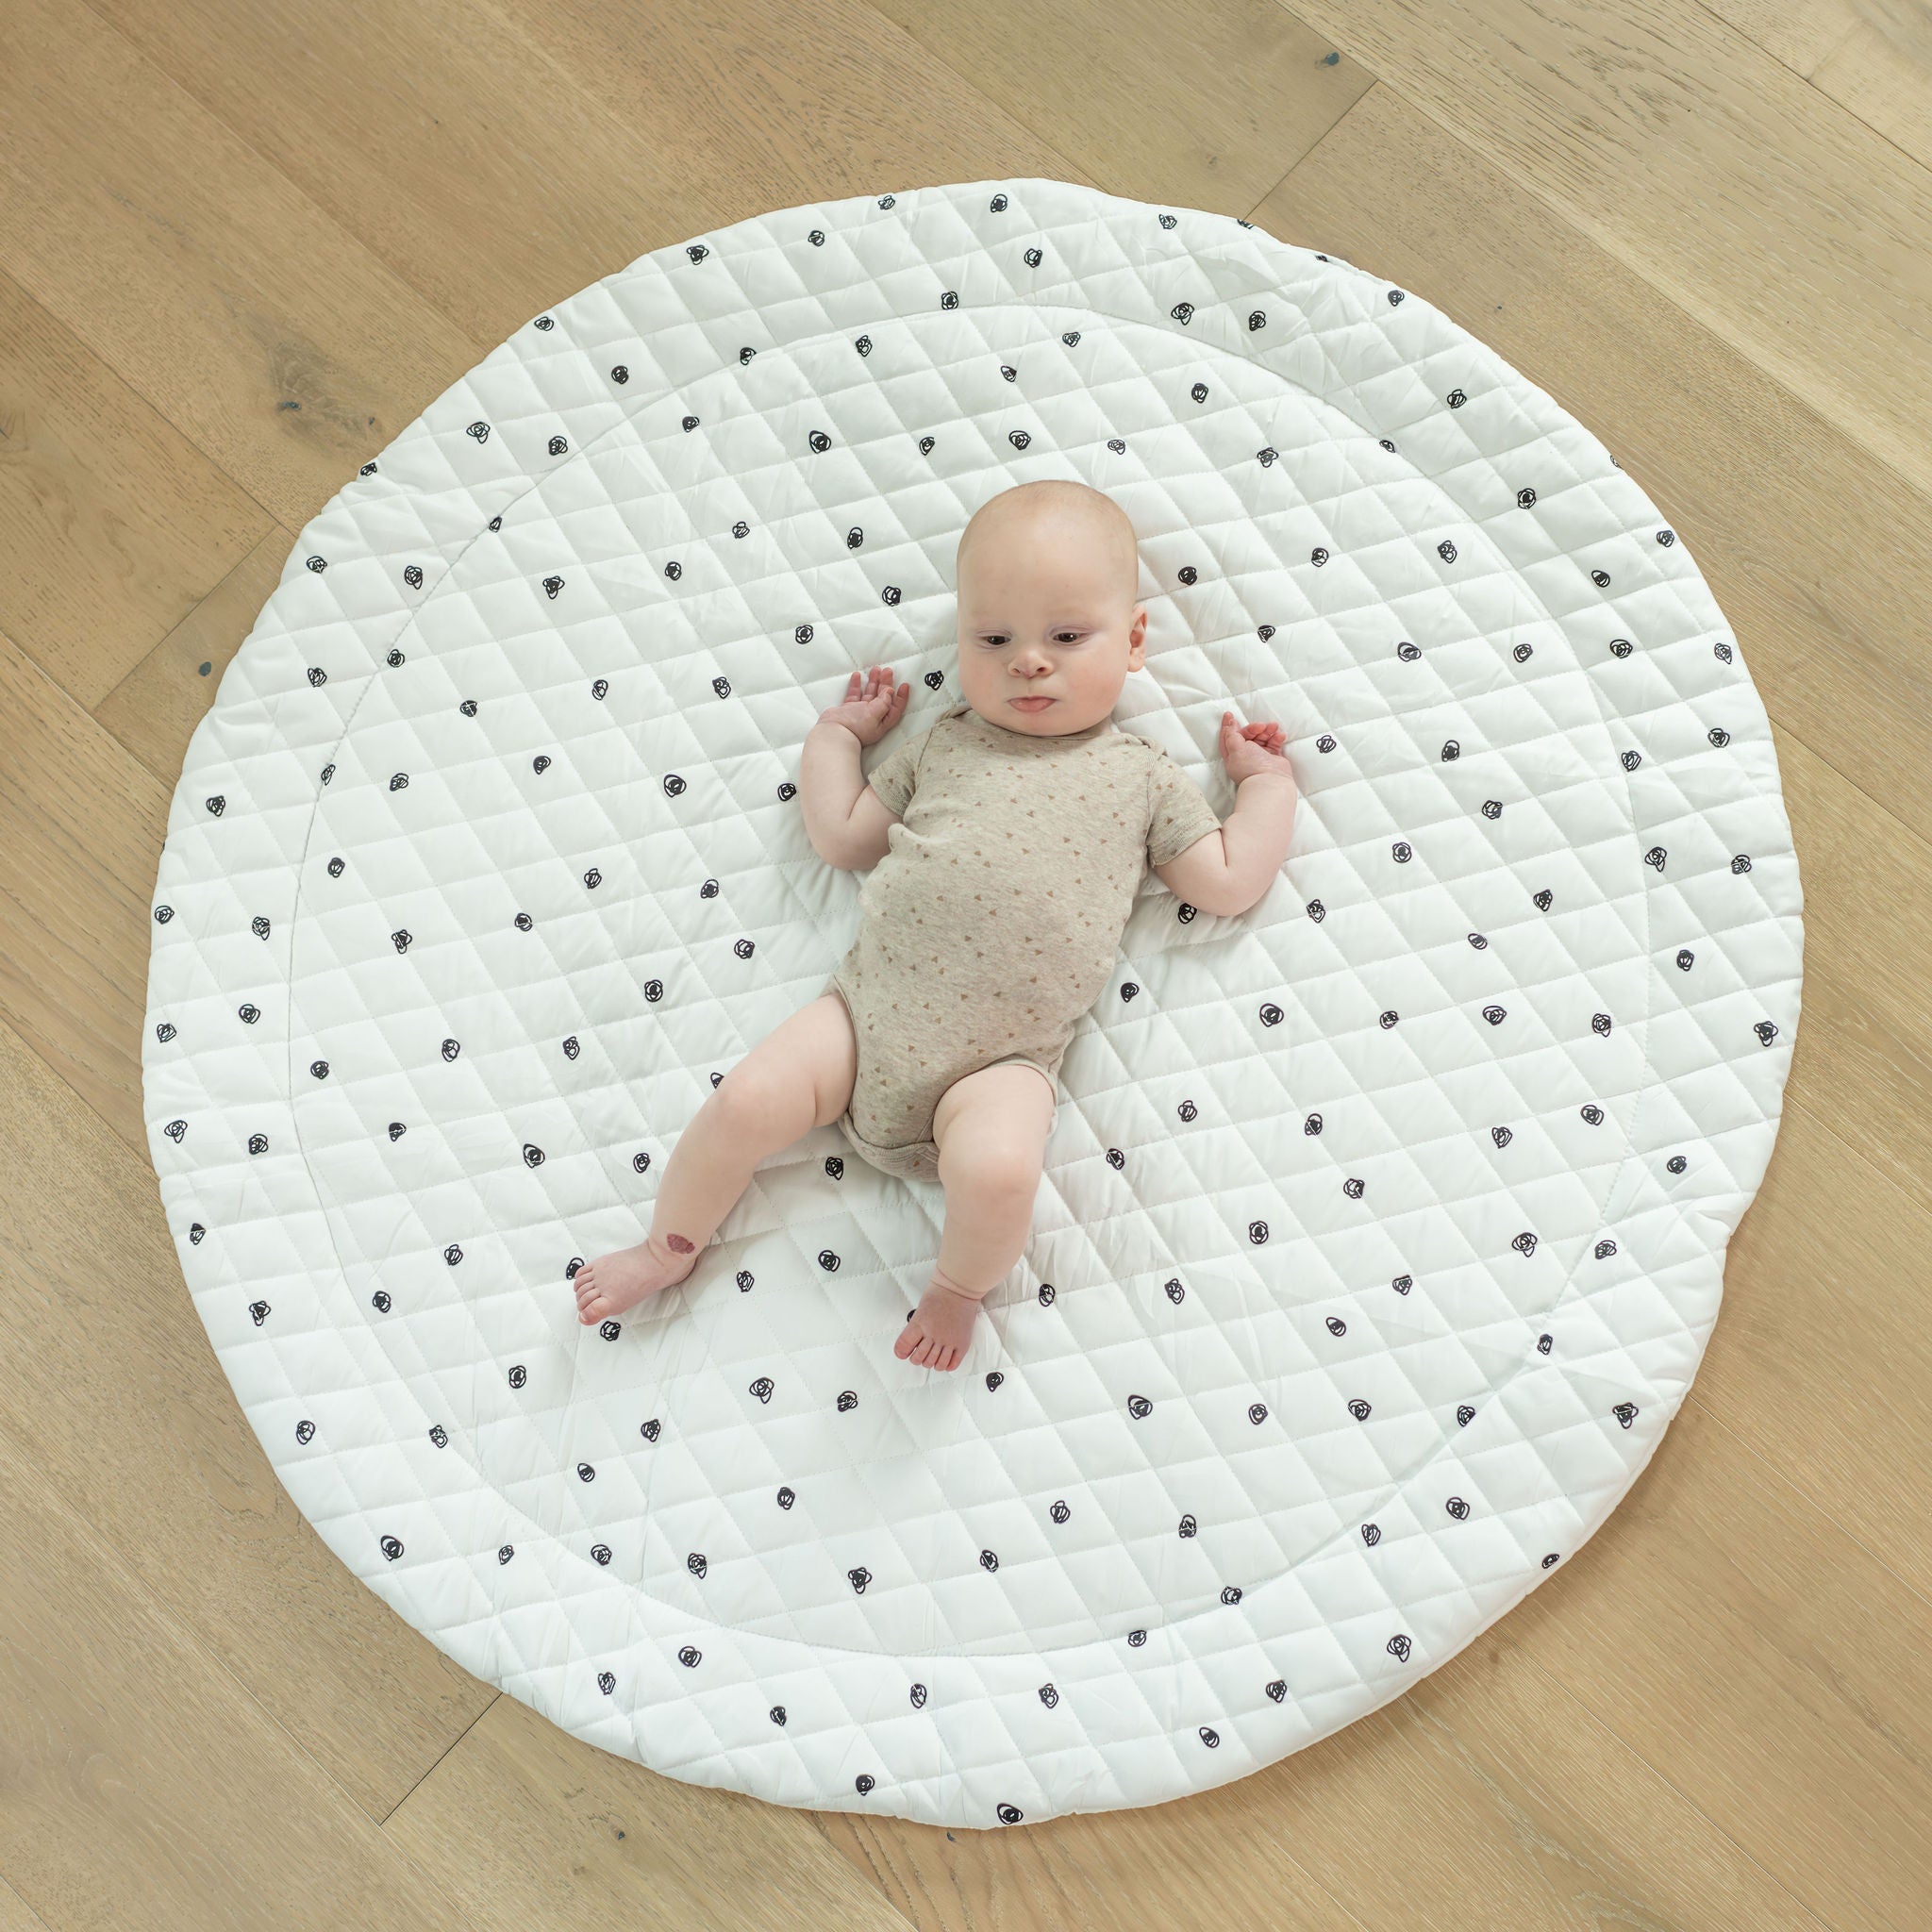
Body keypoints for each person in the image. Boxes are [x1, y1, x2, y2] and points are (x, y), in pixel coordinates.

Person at [572, 477, 1298, 1369]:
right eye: (993, 639)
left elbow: (1225, 881)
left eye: (1067, 637)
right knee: (745, 1100)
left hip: (998, 1069)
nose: (1029, 661)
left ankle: (957, 1292)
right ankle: (665, 1247)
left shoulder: (1142, 777)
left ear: (1136, 639)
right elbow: (842, 837)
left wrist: (1263, 788)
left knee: (998, 1174)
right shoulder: (944, 744)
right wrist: (839, 738)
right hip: (862, 1019)